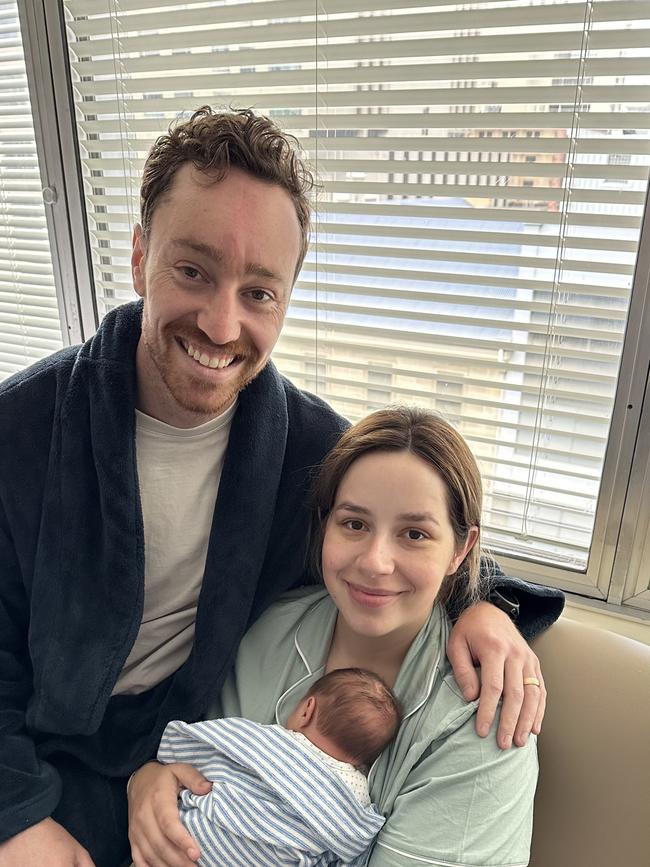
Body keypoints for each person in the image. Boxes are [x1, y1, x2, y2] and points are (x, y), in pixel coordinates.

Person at [0, 106, 563, 867]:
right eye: (194, 270)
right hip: (26, 758)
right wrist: (17, 816)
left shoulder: (309, 452)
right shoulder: (24, 429)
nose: (223, 325)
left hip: (171, 772)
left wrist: (486, 607)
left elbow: (410, 530)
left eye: (259, 292)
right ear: (140, 258)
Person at [129, 408, 540, 867]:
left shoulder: (479, 723)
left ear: (460, 550)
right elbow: (197, 765)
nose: (375, 562)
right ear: (325, 525)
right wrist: (146, 782)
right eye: (355, 524)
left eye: (414, 534)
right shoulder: (263, 633)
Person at [156, 669, 400, 865]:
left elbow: (204, 746)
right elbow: (353, 845)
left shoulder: (268, 741)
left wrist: (168, 757)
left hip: (191, 844)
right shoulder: (354, 796)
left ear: (307, 709)